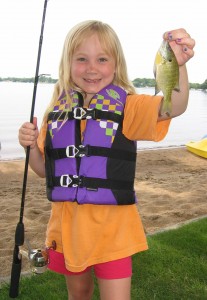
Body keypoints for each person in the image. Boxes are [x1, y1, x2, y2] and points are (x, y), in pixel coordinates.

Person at [18, 20, 195, 300]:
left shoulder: (129, 106)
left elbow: (176, 105)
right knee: (79, 295)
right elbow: (43, 170)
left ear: (116, 64)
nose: (91, 68)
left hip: (115, 234)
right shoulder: (58, 112)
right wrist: (30, 149)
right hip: (68, 231)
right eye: (82, 59)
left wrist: (179, 65)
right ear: (68, 63)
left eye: (102, 59)